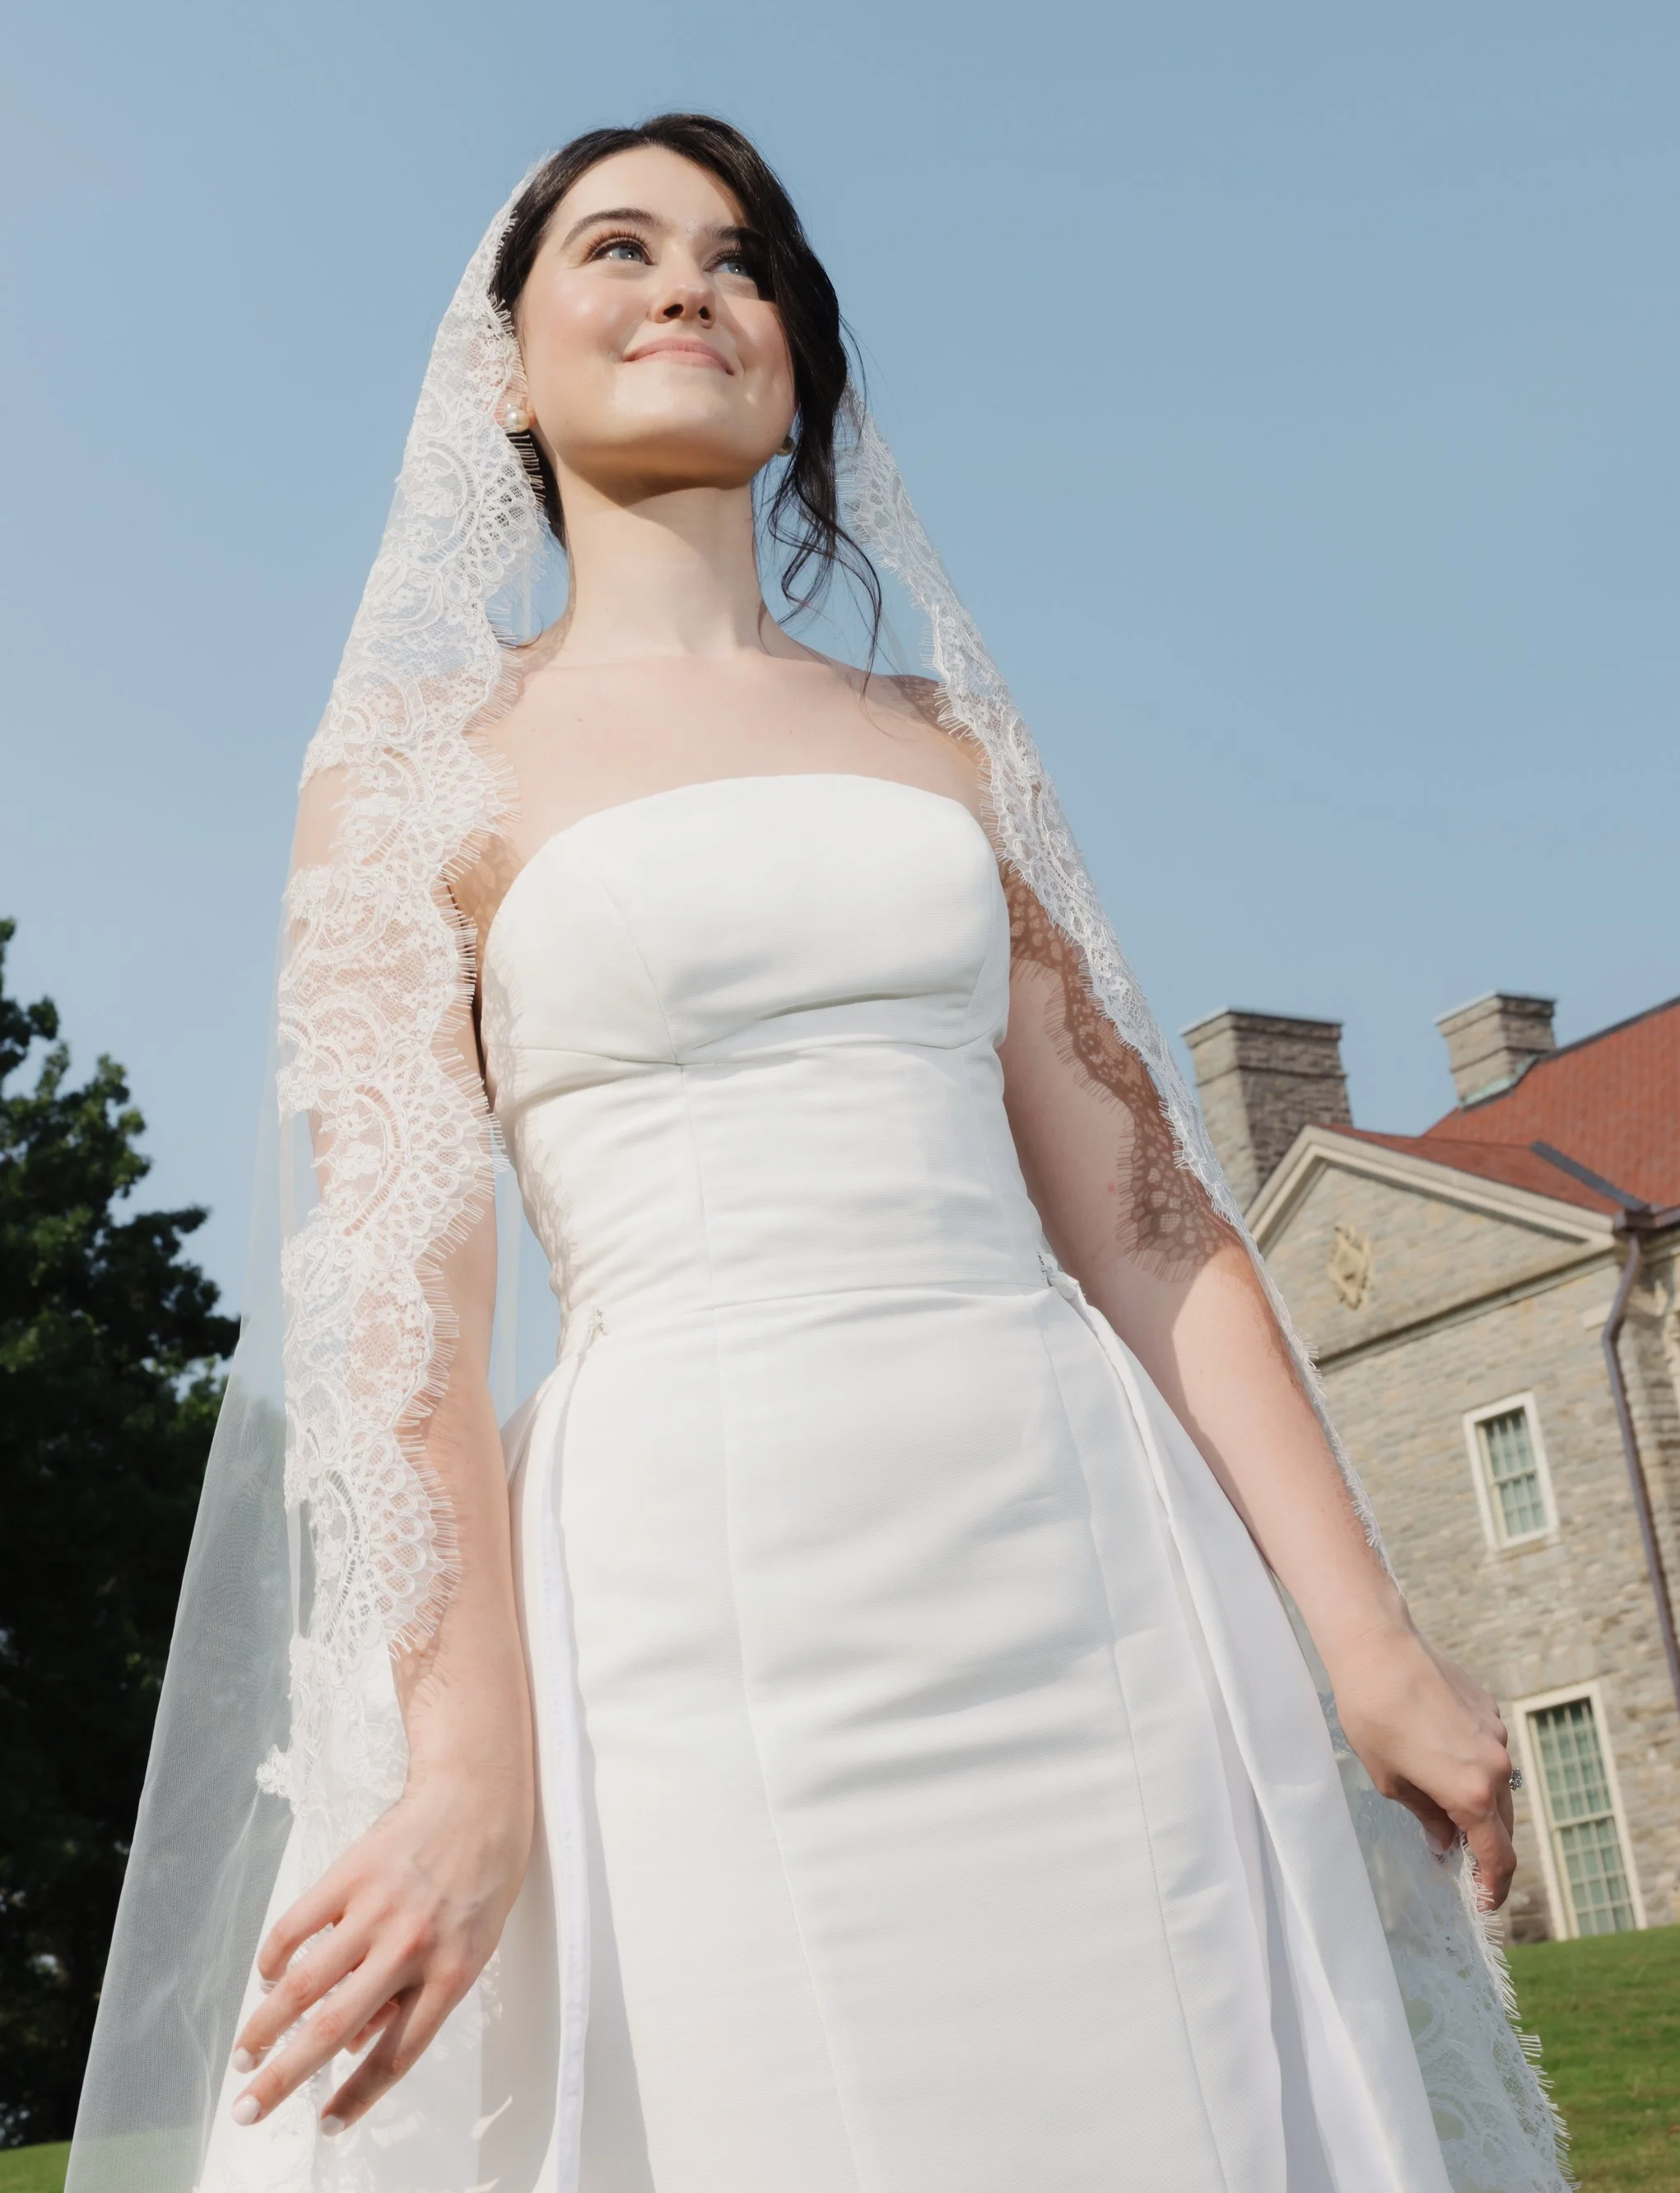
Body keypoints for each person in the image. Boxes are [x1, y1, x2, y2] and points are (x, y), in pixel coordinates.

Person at [69, 117, 1566, 2193]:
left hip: (1084, 1565)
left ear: (796, 366)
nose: (689, 284)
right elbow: (397, 1299)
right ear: (503, 366)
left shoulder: (940, 746)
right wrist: (467, 1766)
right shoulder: (413, 773)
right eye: (618, 247)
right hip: (690, 1592)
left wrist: (1371, 1645)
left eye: (740, 259)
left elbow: (1148, 1220)